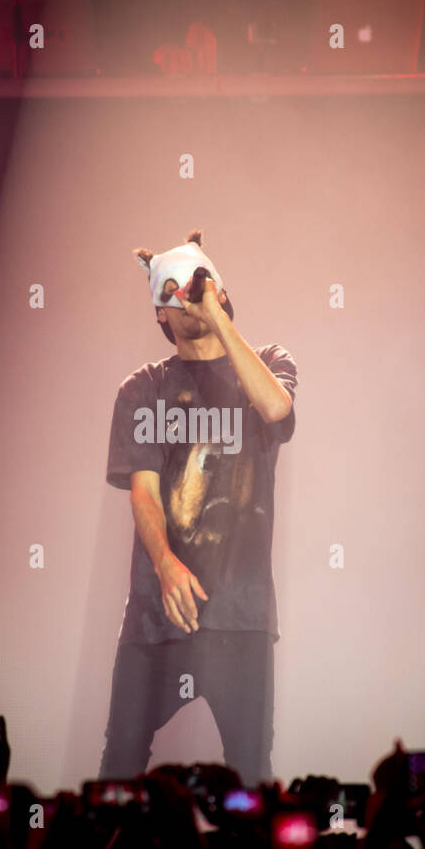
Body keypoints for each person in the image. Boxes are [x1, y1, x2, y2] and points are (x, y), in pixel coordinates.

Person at [99, 229, 297, 786]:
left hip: (241, 617)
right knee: (119, 773)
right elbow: (144, 492)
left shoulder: (270, 364)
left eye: (196, 286)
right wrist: (164, 565)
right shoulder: (141, 391)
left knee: (252, 779)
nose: (186, 298)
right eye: (174, 294)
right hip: (156, 619)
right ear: (160, 315)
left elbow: (277, 410)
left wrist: (214, 310)